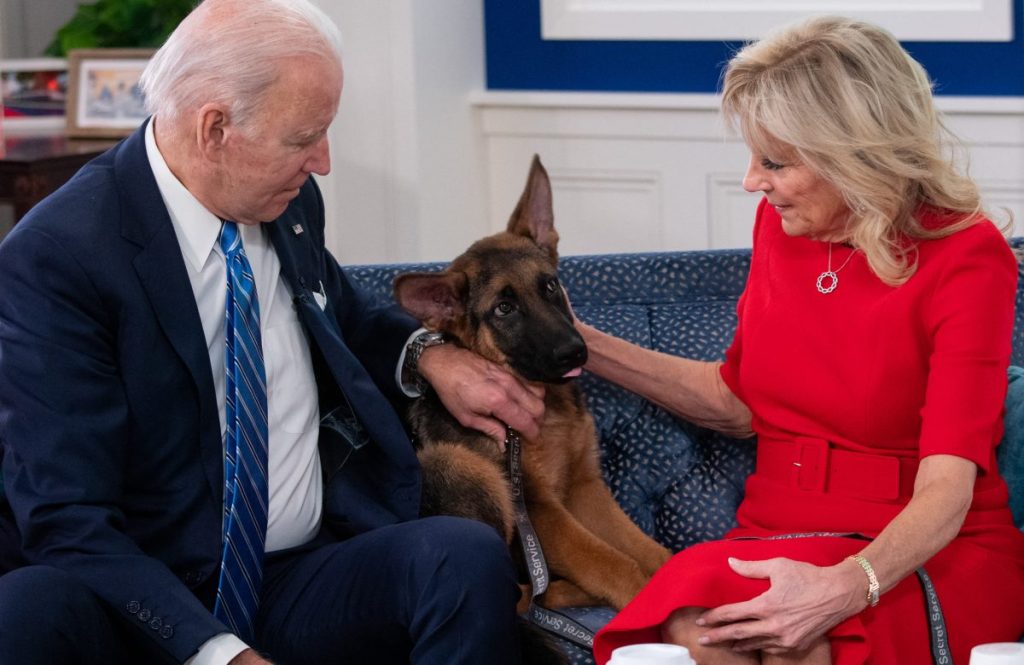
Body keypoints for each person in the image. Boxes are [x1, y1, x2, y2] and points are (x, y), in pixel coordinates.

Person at [0, 1, 548, 664]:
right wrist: (219, 652)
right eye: (302, 138)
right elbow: (67, 521)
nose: (322, 162)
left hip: (295, 575)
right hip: (145, 599)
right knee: (27, 612)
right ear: (214, 130)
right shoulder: (59, 258)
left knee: (459, 558)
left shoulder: (284, 202)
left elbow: (340, 308)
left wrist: (429, 355)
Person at [586, 15, 1024, 665]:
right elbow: (739, 400)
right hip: (777, 529)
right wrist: (579, 342)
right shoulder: (780, 225)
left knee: (803, 642)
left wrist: (847, 585)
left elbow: (947, 489)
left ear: (852, 154)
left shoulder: (967, 255)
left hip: (921, 548)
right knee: (697, 624)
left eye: (775, 161)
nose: (751, 181)